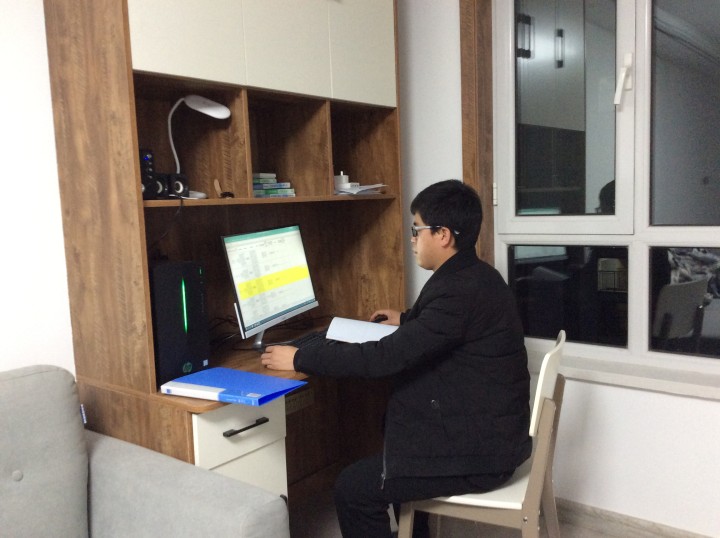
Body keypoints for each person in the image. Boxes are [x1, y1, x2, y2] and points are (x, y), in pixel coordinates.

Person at [261, 179, 531, 538]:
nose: (412, 239)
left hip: (481, 453)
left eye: (417, 230)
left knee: (352, 488)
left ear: (443, 235)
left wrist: (301, 358)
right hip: (490, 433)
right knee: (393, 427)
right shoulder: (475, 275)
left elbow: (384, 358)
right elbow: (444, 328)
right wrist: (405, 320)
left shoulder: (459, 291)